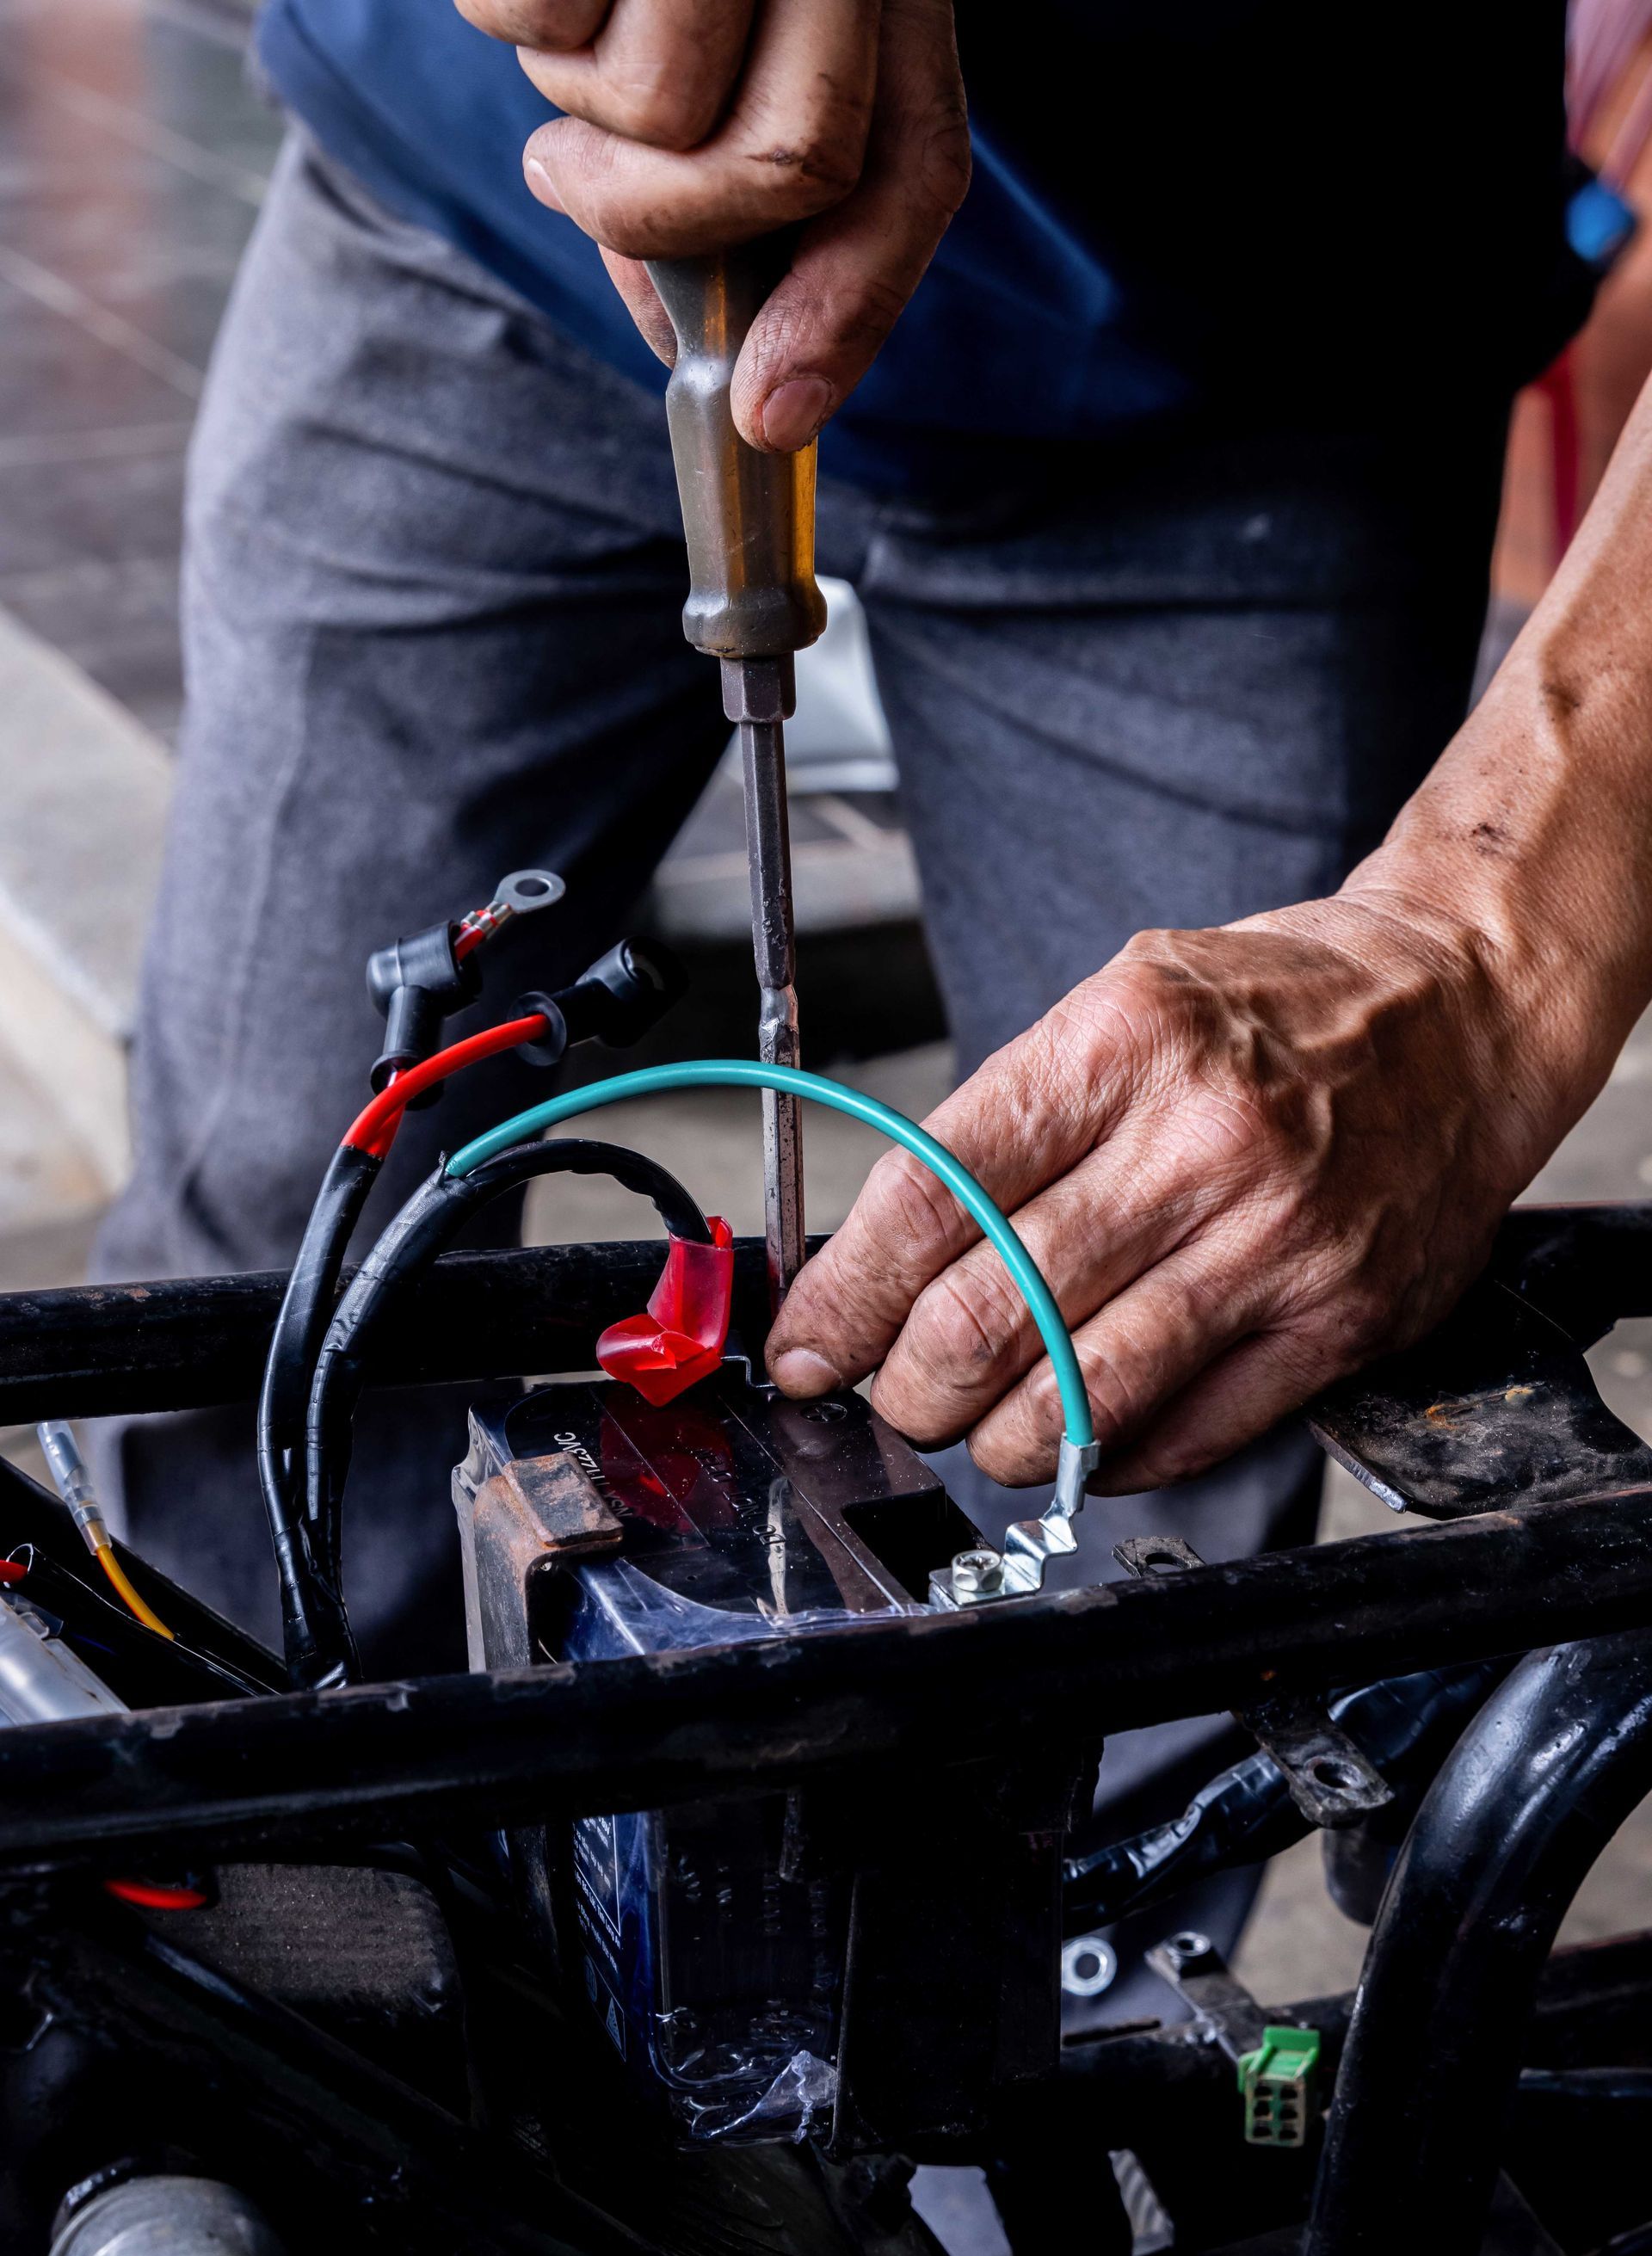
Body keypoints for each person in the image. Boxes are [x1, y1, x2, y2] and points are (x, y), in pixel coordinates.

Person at [96, 0, 1637, 1723]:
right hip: (489, 221)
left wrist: (1498, 939)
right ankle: (282, 1947)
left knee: (1157, 1334)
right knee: (281, 1250)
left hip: (1258, 323)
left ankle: (1072, 1977)